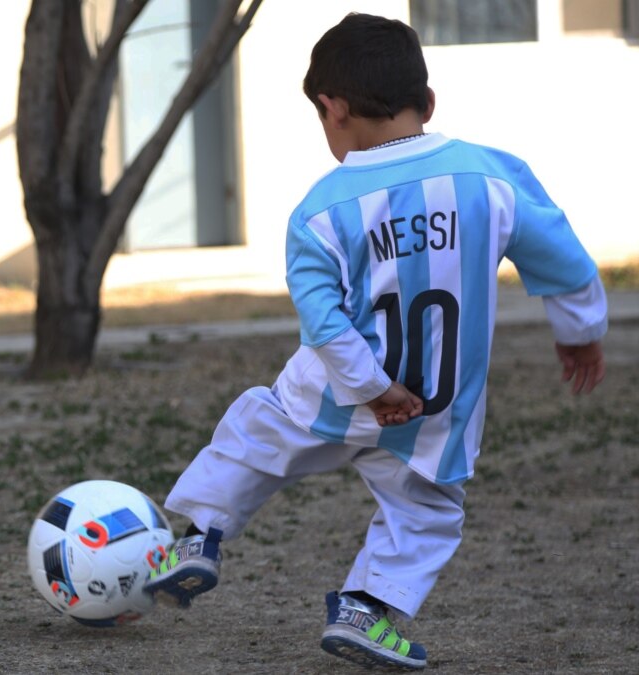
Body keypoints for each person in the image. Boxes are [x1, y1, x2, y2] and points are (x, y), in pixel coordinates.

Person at [142, 12, 608, 672]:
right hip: (432, 411)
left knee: (253, 434)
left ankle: (199, 539)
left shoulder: (320, 210)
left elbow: (324, 321)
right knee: (425, 514)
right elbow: (564, 258)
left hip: (331, 395)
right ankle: (364, 609)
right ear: (428, 101)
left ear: (332, 109)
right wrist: (580, 332)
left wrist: (370, 387)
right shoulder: (490, 179)